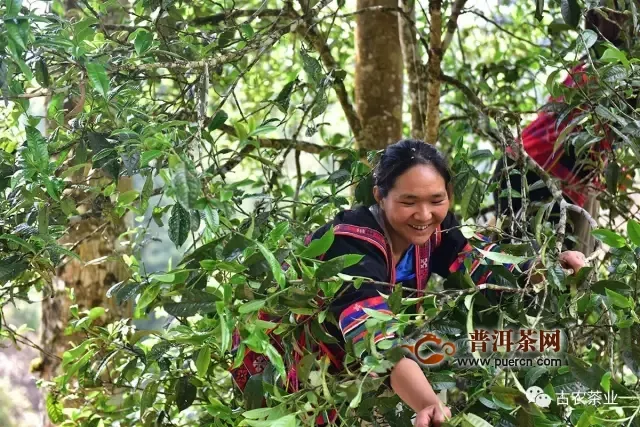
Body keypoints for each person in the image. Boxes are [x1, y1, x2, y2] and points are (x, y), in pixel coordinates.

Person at [306, 139, 587, 426]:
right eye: (409, 201)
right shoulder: (350, 244)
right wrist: (427, 403)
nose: (425, 215)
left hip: (355, 373)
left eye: (436, 200)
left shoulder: (436, 231)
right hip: (304, 365)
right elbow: (377, 341)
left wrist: (549, 266)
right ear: (380, 196)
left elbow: (483, 265)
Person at [493, 3, 632, 252]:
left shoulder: (596, 68)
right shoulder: (603, 73)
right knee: (539, 269)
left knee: (559, 268)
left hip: (538, 171)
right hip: (533, 173)